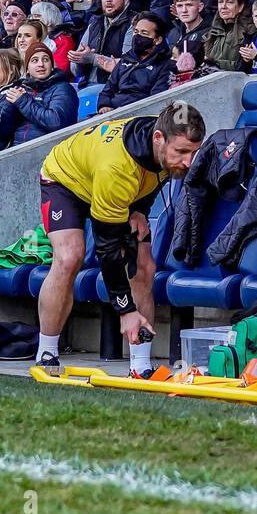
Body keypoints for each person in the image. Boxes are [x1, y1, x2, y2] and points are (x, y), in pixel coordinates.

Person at [34, 102, 206, 378]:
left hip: (118, 189)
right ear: (158, 139)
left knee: (144, 266)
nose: (188, 162)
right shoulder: (117, 167)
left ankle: (140, 365)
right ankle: (47, 352)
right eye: (182, 152)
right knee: (70, 256)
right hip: (65, 180)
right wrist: (124, 310)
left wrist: (139, 210)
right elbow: (107, 249)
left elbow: (156, 176)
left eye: (193, 153)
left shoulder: (165, 139)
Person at [97, 12, 174, 111]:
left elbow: (156, 100)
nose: (138, 36)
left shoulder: (165, 65)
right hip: (111, 112)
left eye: (144, 33)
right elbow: (107, 90)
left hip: (138, 116)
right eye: (136, 32)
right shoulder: (125, 59)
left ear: (157, 40)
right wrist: (104, 106)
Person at [8, 42, 78, 145]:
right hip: (17, 151)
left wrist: (22, 101)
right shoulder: (23, 90)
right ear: (27, 69)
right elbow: (3, 129)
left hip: (49, 150)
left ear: (52, 66)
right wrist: (9, 105)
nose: (41, 64)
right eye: (34, 60)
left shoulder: (63, 88)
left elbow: (56, 122)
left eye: (45, 59)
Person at [203, 0, 254, 71]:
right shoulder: (213, 32)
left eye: (229, 2)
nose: (223, 6)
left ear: (241, 6)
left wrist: (213, 65)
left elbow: (243, 66)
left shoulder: (249, 31)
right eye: (220, 2)